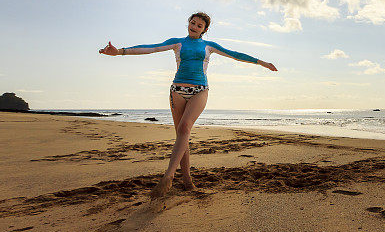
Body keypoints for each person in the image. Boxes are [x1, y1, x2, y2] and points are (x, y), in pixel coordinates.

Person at [99, 12, 277, 199]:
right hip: (177, 91)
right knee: (181, 136)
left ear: (205, 30)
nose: (194, 26)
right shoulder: (178, 43)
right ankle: (187, 180)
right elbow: (151, 48)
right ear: (188, 24)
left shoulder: (209, 46)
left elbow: (235, 55)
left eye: (199, 25)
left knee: (185, 127)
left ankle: (168, 176)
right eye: (192, 23)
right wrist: (119, 52)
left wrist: (262, 63)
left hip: (200, 91)